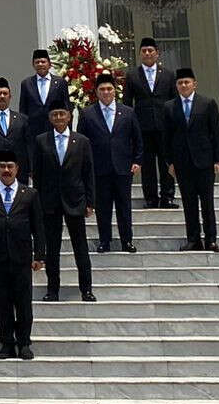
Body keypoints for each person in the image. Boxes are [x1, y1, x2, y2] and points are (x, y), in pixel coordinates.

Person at [0, 153, 43, 360]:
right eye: (2, 166)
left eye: (10, 166)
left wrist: (39, 255)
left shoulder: (29, 194)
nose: (6, 170)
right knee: (3, 303)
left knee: (23, 302)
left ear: (17, 169)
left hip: (22, 258)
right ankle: (6, 342)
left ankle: (24, 342)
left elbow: (38, 228)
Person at [33, 104, 96, 302]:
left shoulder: (82, 141)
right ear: (50, 118)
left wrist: (90, 201)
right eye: (55, 114)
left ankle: (86, 289)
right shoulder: (41, 141)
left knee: (80, 247)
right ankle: (53, 290)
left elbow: (88, 173)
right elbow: (38, 175)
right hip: (50, 201)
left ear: (69, 117)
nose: (59, 117)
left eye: (62, 113)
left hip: (75, 200)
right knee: (52, 248)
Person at [78, 73, 144, 253]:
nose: (106, 92)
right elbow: (82, 142)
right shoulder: (87, 113)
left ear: (115, 91)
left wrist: (137, 160)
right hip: (99, 169)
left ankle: (127, 241)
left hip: (123, 167)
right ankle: (104, 241)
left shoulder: (128, 112)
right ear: (96, 92)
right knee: (103, 207)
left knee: (124, 206)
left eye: (109, 89)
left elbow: (137, 139)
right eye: (102, 89)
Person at [166, 67, 219, 252]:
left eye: (187, 82)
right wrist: (170, 162)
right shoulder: (169, 107)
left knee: (207, 202)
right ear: (176, 86)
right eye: (180, 83)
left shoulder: (207, 103)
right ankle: (193, 239)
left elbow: (216, 132)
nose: (183, 85)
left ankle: (211, 239)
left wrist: (218, 159)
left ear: (194, 84)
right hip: (183, 163)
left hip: (204, 161)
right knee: (189, 203)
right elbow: (166, 137)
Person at [123, 37, 177, 208]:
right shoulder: (132, 75)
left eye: (150, 50)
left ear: (157, 53)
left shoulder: (168, 74)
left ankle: (167, 196)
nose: (147, 53)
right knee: (146, 164)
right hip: (142, 126)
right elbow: (127, 102)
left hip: (164, 126)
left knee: (166, 161)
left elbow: (174, 100)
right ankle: (151, 198)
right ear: (140, 54)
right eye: (144, 51)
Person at [19, 49, 71, 137]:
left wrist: (67, 129)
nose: (40, 64)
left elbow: (67, 107)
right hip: (33, 131)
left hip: (56, 128)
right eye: (37, 62)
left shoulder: (60, 82)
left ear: (49, 64)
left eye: (43, 62)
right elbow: (23, 109)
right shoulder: (26, 83)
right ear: (33, 65)